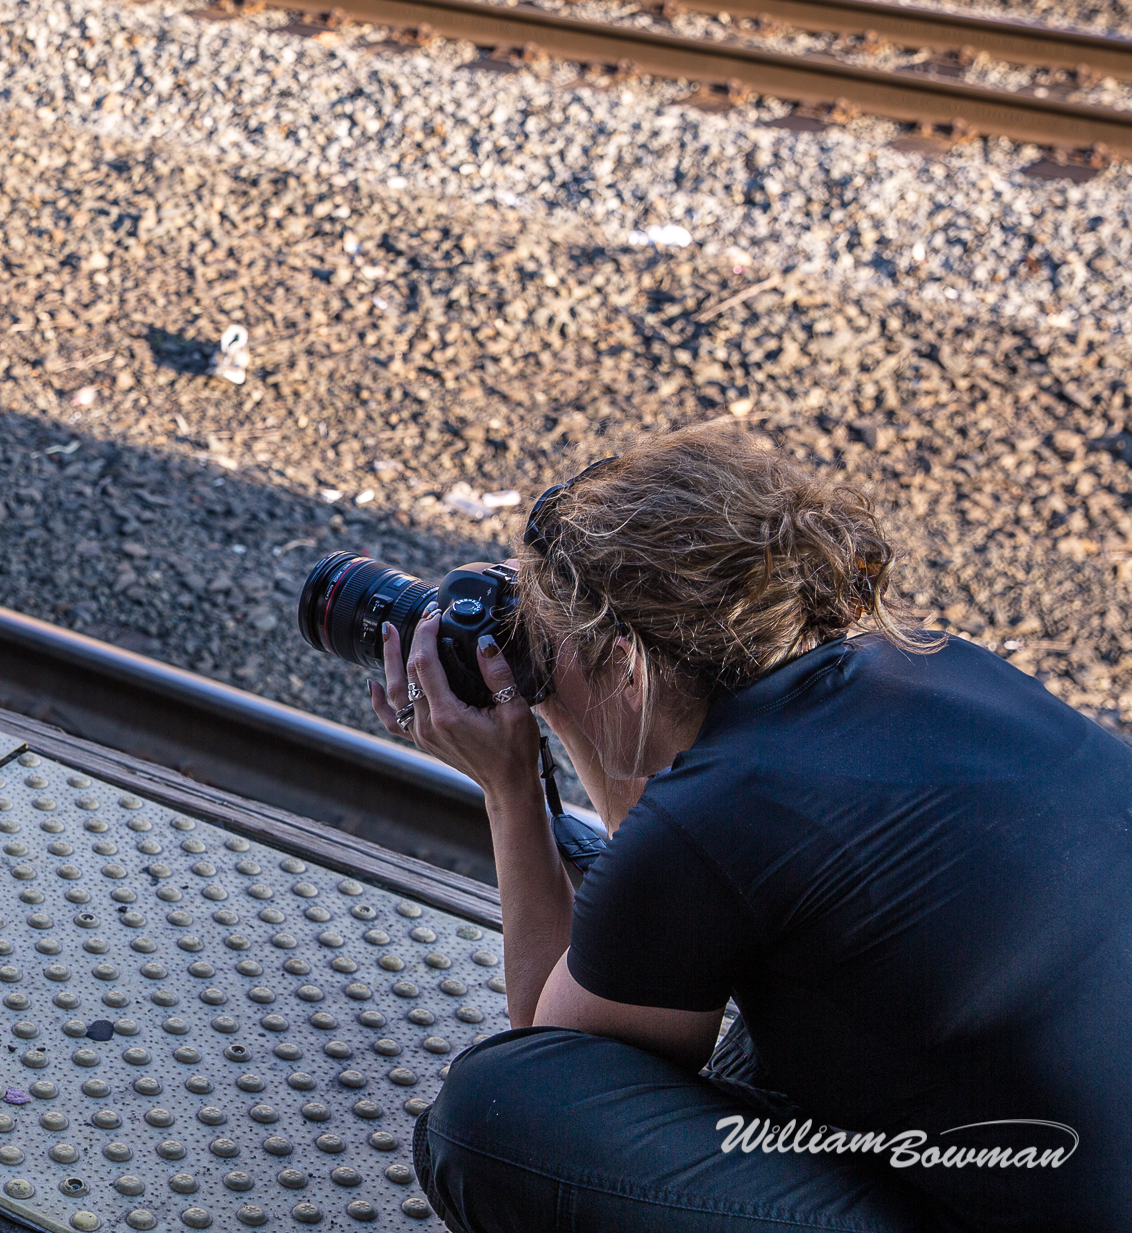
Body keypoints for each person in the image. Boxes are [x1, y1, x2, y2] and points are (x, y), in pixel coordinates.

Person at [372, 421, 1129, 1233]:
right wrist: (571, 709)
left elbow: (556, 1060)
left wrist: (510, 787)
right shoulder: (940, 661)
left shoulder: (725, 811)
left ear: (625, 664)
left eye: (548, 646)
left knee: (492, 1115)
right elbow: (676, 848)